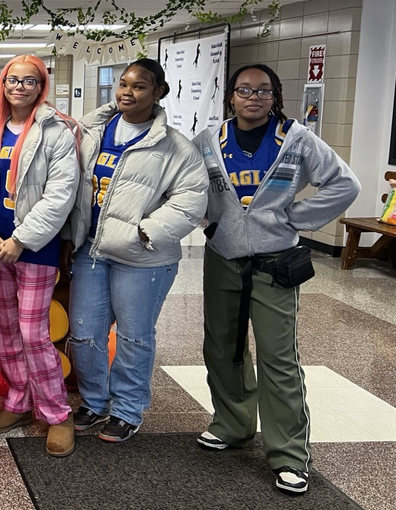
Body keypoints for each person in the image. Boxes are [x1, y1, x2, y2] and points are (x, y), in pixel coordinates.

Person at [192, 64, 360, 496]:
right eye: (245, 90)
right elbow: (189, 189)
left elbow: (345, 184)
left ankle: (288, 453)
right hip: (222, 257)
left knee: (277, 356)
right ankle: (232, 424)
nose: (254, 97)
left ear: (275, 96)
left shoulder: (298, 140)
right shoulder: (209, 142)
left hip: (275, 262)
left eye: (263, 91)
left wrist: (295, 218)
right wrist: (208, 222)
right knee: (222, 346)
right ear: (231, 96)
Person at [64, 58, 207, 443]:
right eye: (123, 84)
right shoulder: (93, 132)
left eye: (139, 86)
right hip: (91, 250)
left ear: (159, 92)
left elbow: (192, 200)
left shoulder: (176, 147)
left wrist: (144, 234)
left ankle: (127, 410)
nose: (128, 92)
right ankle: (94, 402)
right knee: (84, 333)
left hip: (143, 259)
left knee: (133, 336)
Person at [0, 55, 81, 457]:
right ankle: (18, 401)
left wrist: (23, 239)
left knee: (32, 332)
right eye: (14, 80)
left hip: (36, 248)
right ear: (3, 83)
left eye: (30, 81)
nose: (20, 87)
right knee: (5, 329)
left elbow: (60, 194)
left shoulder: (56, 131)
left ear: (41, 86)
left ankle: (57, 413)